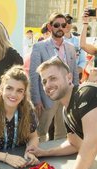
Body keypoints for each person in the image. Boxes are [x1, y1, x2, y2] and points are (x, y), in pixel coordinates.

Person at [29, 12, 78, 142]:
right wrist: (36, 99)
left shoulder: (71, 48)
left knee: (63, 133)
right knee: (40, 132)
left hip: (66, 97)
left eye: (63, 25)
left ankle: (58, 158)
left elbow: (73, 73)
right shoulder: (39, 47)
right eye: (56, 25)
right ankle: (39, 158)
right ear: (50, 27)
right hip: (46, 98)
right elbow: (34, 75)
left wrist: (75, 96)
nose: (60, 28)